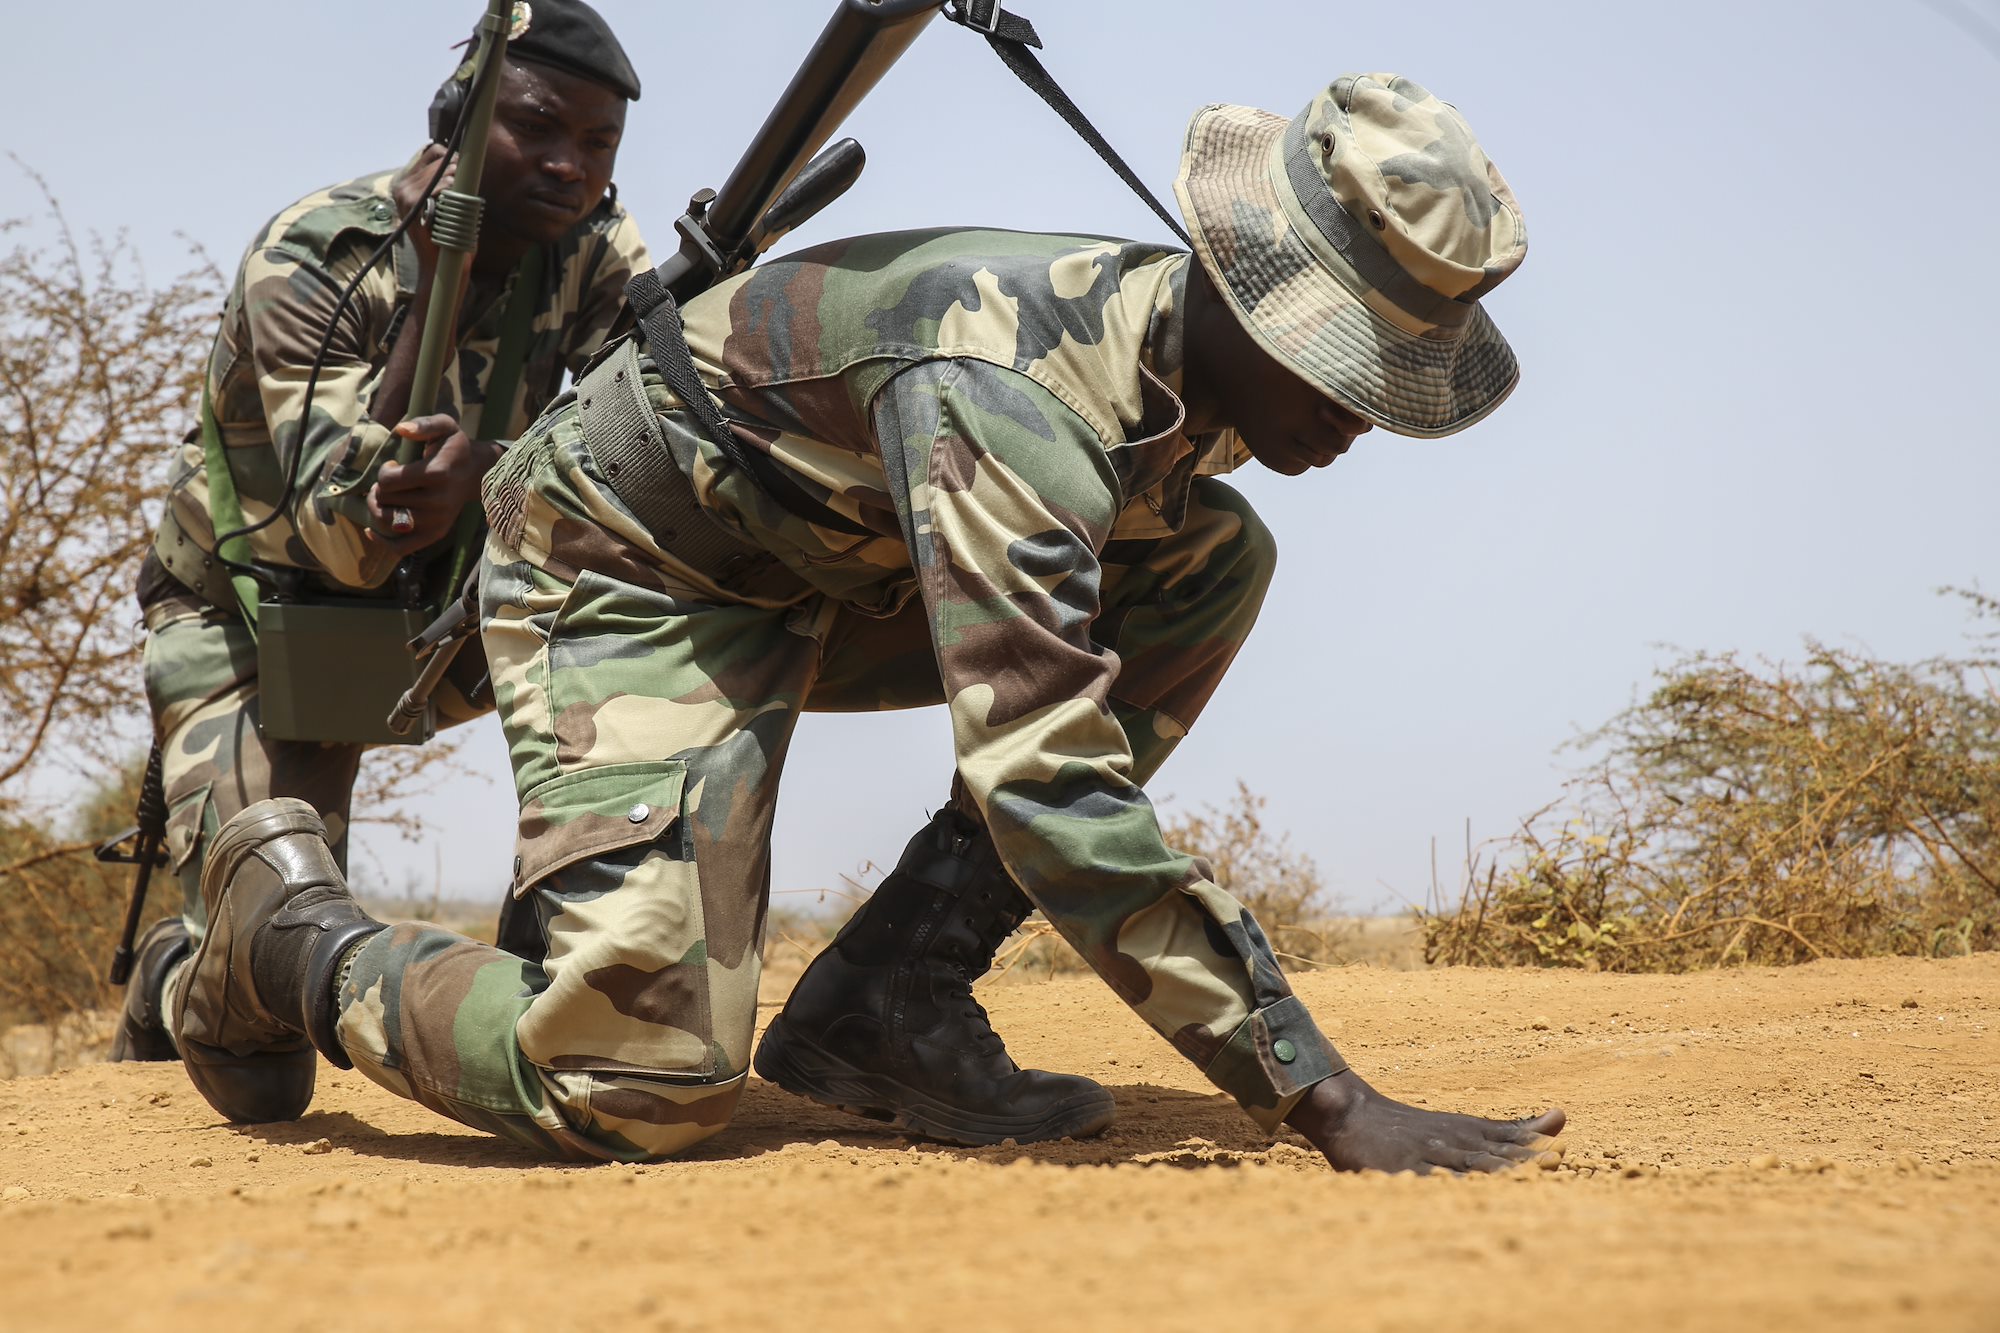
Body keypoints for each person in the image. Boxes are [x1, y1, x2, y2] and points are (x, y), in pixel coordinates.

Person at [172, 71, 1567, 1172]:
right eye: (1343, 359)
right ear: (1247, 285)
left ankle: (888, 998)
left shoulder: (1167, 372)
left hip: (819, 563)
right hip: (636, 560)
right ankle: (281, 929)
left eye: (1390, 374)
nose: (1358, 411)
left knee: (1210, 557)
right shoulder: (1014, 395)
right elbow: (1046, 778)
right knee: (633, 1083)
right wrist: (1317, 1092)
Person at [109, 1, 651, 1127]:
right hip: (247, 629)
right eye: (539, 127)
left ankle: (572, 936)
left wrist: (490, 469)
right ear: (454, 119)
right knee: (266, 1043)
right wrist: (431, 294)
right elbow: (349, 541)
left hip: (440, 616)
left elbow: (643, 447)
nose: (570, 166)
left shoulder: (597, 251)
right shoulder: (318, 250)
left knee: (646, 606)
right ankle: (179, 970)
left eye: (599, 146)